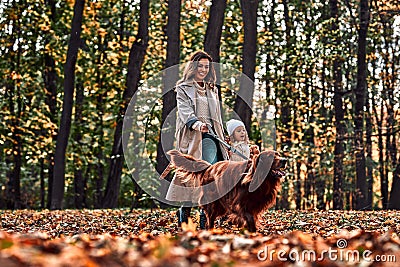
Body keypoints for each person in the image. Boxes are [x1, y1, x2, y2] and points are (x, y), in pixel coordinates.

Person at [165, 51, 228, 228]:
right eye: (200, 66)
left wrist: (223, 135)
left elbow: (216, 116)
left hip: (213, 137)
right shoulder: (183, 88)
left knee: (211, 178)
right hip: (194, 137)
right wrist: (197, 124)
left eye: (206, 66)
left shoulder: (212, 89)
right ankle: (185, 212)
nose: (203, 69)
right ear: (193, 67)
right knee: (194, 177)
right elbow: (185, 112)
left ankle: (204, 217)